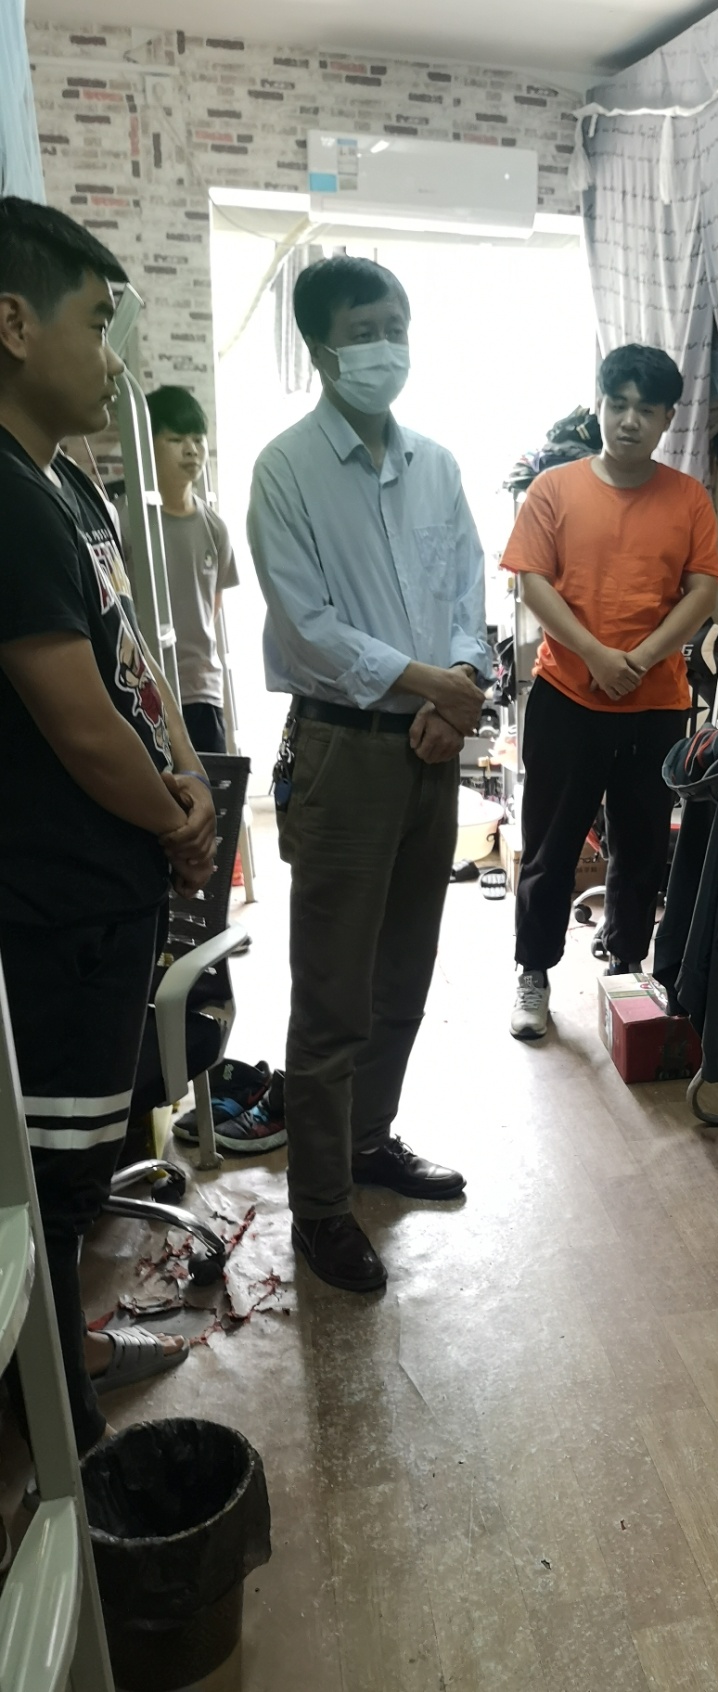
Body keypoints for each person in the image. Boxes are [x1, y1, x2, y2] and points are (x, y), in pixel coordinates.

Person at [0, 197, 216, 1454]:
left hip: (113, 880)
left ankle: (62, 1372)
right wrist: (175, 819)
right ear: (14, 324)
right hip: (53, 903)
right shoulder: (4, 498)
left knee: (85, 1155)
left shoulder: (69, 485)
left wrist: (188, 783)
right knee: (50, 1176)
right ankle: (53, 1425)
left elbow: (134, 664)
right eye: (95, 323)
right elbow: (80, 728)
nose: (114, 356)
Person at [248, 256, 489, 1296]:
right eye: (364, 329)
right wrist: (430, 683)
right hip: (343, 750)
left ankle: (369, 1139)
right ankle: (318, 1207)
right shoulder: (286, 470)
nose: (386, 345)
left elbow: (467, 595)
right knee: (333, 992)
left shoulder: (436, 465)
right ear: (320, 348)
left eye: (397, 325)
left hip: (430, 747)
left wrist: (459, 690)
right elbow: (306, 627)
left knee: (403, 976)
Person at [502, 343, 718, 1041]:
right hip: (567, 696)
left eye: (645, 410)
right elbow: (532, 582)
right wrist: (596, 656)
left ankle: (627, 965)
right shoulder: (554, 490)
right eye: (617, 404)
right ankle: (533, 971)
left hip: (655, 704)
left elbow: (703, 590)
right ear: (599, 406)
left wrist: (642, 658)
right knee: (550, 845)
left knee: (642, 844)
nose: (629, 421)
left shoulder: (687, 498)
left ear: (666, 420)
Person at [145, 385, 238, 754]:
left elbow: (213, 606)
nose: (191, 450)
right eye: (176, 439)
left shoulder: (215, 527)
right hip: (146, 688)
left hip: (201, 690)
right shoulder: (124, 521)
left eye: (198, 439)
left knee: (209, 786)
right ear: (146, 443)